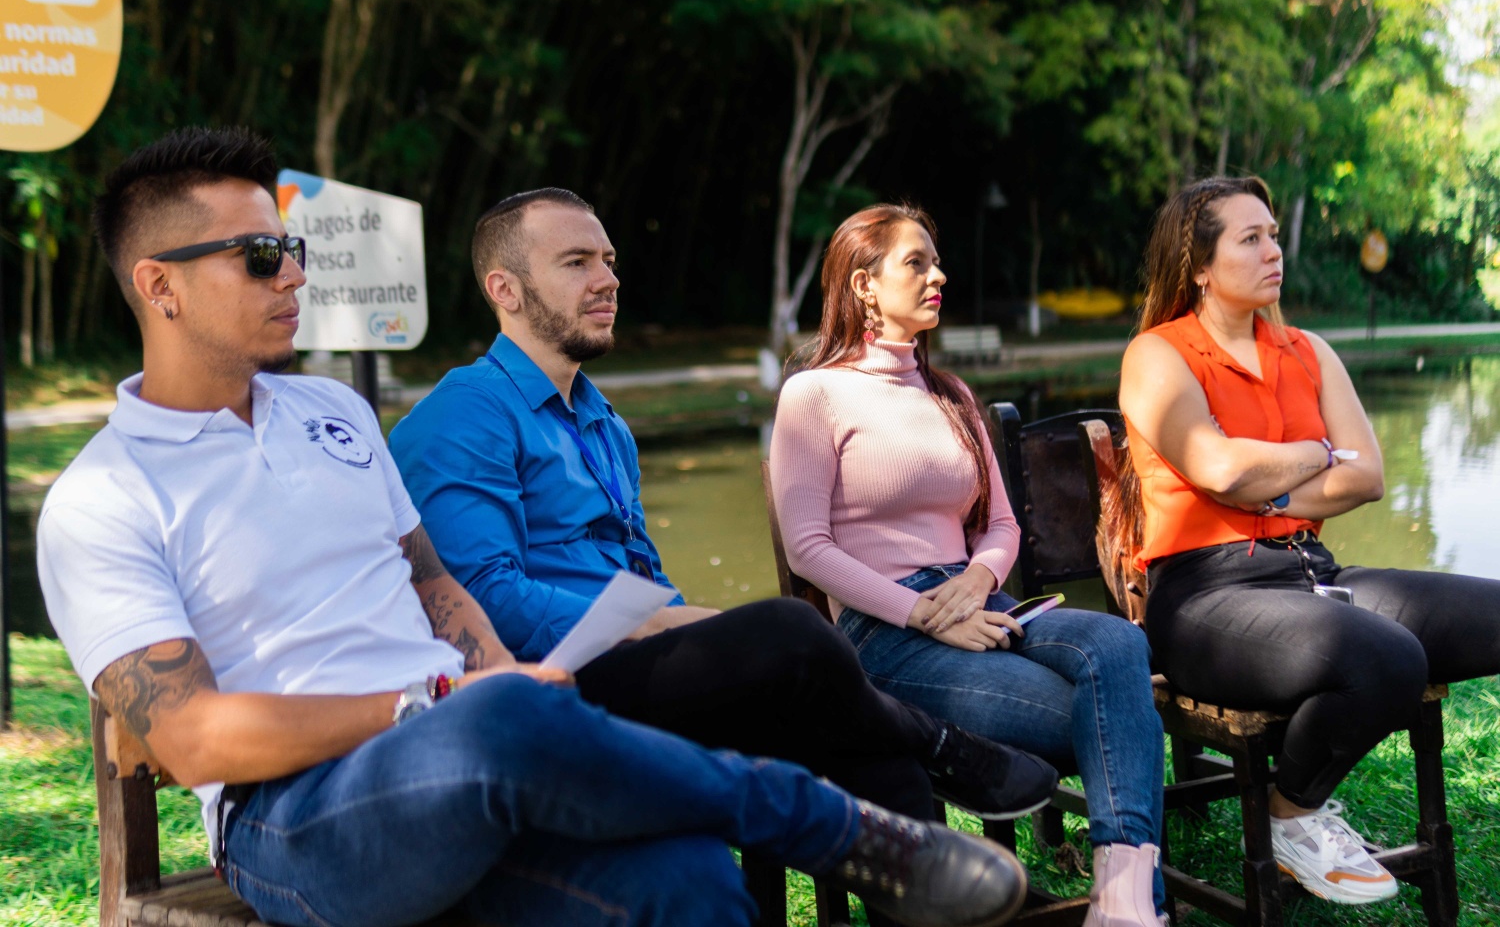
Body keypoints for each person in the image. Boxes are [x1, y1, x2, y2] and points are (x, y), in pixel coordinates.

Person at [36, 127, 1033, 927]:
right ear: (159, 285)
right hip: (295, 815)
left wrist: (498, 677)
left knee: (686, 879)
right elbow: (191, 738)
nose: (293, 276)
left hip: (475, 747)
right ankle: (835, 829)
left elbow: (434, 581)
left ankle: (881, 826)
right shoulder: (104, 498)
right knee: (532, 710)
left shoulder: (334, 415)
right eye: (260, 258)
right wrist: (436, 701)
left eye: (291, 251)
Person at [388, 189, 1059, 847]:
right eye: (577, 262)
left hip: (639, 663)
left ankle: (941, 848)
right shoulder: (464, 413)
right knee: (793, 627)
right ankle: (943, 743)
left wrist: (689, 624)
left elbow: (647, 579)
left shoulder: (603, 423)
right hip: (551, 682)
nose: (608, 280)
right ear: (504, 289)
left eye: (609, 260)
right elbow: (483, 594)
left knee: (873, 753)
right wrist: (654, 623)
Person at [768, 203, 1169, 927]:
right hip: (884, 630)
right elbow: (808, 547)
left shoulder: (950, 394)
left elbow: (1001, 526)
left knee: (1119, 644)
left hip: (977, 601)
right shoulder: (814, 394)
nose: (938, 276)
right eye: (916, 263)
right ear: (863, 285)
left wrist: (976, 582)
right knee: (1100, 715)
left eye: (936, 261)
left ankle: (1124, 893)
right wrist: (924, 613)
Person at [1115, 175, 1500, 906]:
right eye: (1251, 238)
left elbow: (1369, 476)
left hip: (1311, 574)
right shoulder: (1158, 355)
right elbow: (1220, 468)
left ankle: (1298, 806)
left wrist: (1274, 488)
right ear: (1200, 266)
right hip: (1203, 596)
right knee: (1388, 657)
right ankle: (1291, 814)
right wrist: (1319, 452)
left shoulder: (1308, 351)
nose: (1274, 251)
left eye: (1274, 235)